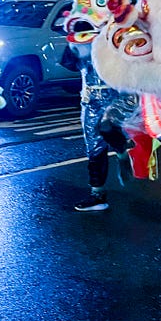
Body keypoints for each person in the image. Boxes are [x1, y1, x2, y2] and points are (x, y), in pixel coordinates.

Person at [60, 42, 134, 212]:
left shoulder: (112, 36)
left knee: (108, 129)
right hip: (90, 101)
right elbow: (69, 63)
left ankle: (122, 152)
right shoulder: (80, 41)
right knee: (94, 147)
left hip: (115, 97)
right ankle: (97, 194)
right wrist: (73, 41)